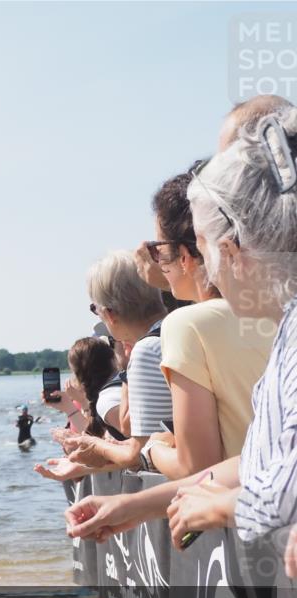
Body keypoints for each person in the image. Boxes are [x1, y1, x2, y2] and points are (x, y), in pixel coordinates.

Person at [65, 106, 297, 549]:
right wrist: (137, 505)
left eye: (206, 250)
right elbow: (258, 463)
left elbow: (280, 499)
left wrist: (219, 507)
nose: (206, 269)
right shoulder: (285, 332)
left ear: (232, 252)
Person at [142, 167, 274, 480]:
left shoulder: (187, 325)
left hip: (241, 521)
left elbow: (198, 468)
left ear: (186, 254)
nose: (158, 263)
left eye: (158, 250)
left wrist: (153, 451)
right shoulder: (279, 312)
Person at [63, 251, 172, 472]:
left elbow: (140, 452)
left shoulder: (147, 351)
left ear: (110, 314)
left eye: (96, 310)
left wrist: (95, 445)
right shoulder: (183, 327)